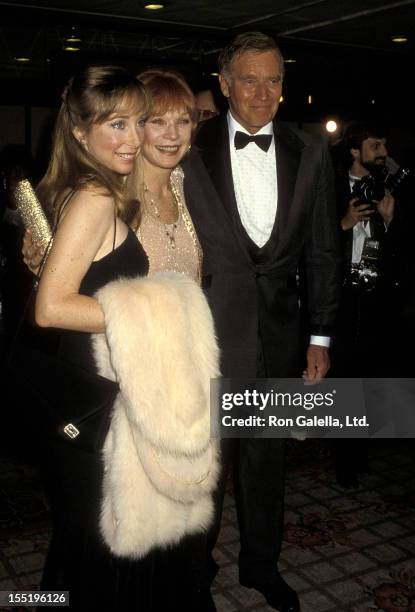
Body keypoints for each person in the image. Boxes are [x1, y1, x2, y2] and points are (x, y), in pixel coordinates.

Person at [31, 65, 217, 611]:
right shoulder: (95, 195)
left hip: (109, 385)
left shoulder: (94, 187)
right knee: (102, 543)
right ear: (80, 132)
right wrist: (160, 310)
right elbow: (50, 308)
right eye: (120, 124)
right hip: (99, 393)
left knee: (94, 538)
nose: (135, 138)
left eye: (137, 123)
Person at [182, 32, 341, 612]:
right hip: (207, 335)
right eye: (248, 79)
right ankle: (194, 572)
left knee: (266, 464)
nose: (262, 91)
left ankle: (260, 567)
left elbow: (324, 249)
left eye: (273, 79)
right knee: (203, 466)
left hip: (279, 335)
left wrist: (320, 335)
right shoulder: (188, 146)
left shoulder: (310, 149)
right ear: (223, 86)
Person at [330, 121, 405, 486]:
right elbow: (311, 245)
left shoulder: (387, 190)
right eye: (376, 145)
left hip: (374, 299)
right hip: (341, 298)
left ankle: (359, 452)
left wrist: (390, 221)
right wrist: (343, 224)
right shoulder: (328, 187)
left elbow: (408, 252)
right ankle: (343, 459)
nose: (384, 153)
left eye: (385, 145)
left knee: (369, 377)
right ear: (355, 151)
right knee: (342, 377)